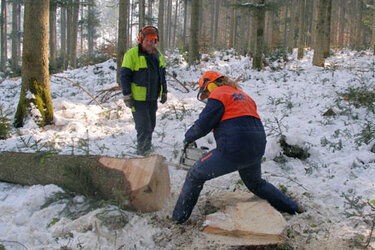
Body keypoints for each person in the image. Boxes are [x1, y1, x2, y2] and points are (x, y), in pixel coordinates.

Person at [172, 71, 304, 224]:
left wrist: (188, 138)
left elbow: (203, 124)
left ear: (212, 84)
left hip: (233, 148)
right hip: (257, 146)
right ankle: (293, 207)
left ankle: (178, 219)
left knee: (195, 175)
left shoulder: (219, 94)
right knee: (256, 183)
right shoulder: (244, 96)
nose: (207, 96)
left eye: (207, 91)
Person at [120, 25, 168, 156]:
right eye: (147, 40)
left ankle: (147, 147)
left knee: (151, 125)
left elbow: (162, 75)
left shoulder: (158, 56)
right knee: (143, 127)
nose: (149, 43)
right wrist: (127, 95)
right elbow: (124, 76)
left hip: (152, 98)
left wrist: (164, 91)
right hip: (138, 99)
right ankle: (142, 152)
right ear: (142, 40)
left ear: (155, 41)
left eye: (152, 41)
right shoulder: (132, 54)